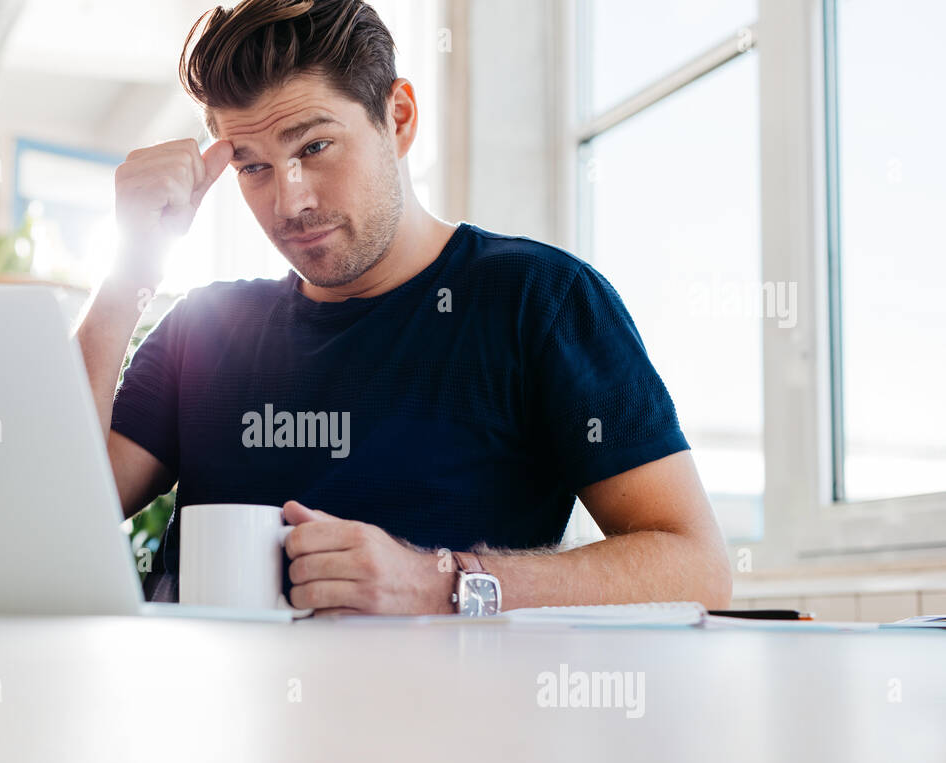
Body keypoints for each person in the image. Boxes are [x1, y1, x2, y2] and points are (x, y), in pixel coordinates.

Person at [78, 0, 733, 615]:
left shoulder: (539, 302)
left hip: (434, 728)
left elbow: (698, 570)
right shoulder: (203, 330)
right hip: (197, 722)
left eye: (313, 147)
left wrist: (439, 582)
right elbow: (52, 511)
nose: (290, 201)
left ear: (399, 118)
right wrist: (130, 265)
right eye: (253, 167)